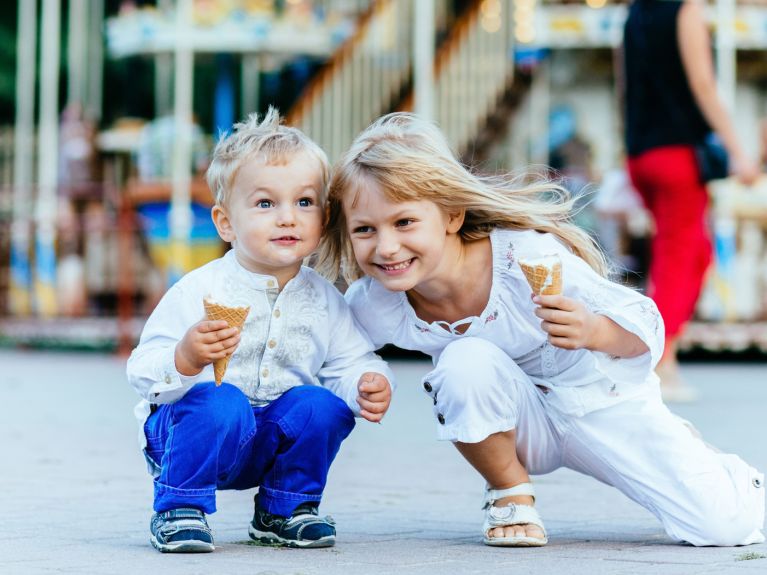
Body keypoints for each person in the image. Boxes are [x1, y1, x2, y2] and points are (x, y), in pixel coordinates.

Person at [316, 112, 765, 548]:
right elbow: (337, 351)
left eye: (404, 222)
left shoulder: (525, 258)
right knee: (464, 362)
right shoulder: (376, 301)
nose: (386, 246)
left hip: (601, 405)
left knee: (721, 526)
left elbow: (645, 324)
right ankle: (511, 494)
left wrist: (593, 330)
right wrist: (361, 380)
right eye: (365, 230)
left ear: (451, 216)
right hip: (521, 424)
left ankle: (721, 471)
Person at [126, 109, 393, 553]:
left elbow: (353, 360)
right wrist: (184, 357)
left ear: (324, 218)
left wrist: (369, 382)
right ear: (225, 222)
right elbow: (141, 370)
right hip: (187, 437)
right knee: (222, 399)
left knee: (320, 405)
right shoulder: (201, 287)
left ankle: (284, 509)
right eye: (266, 204)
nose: (288, 218)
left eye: (304, 202)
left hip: (267, 441)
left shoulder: (325, 299)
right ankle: (178, 508)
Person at [623, 0, 760, 402]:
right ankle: (659, 363)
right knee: (677, 259)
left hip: (641, 155)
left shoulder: (636, 13)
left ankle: (665, 354)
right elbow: (703, 84)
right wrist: (739, 151)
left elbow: (625, 87)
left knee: (692, 252)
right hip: (677, 156)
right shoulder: (685, 10)